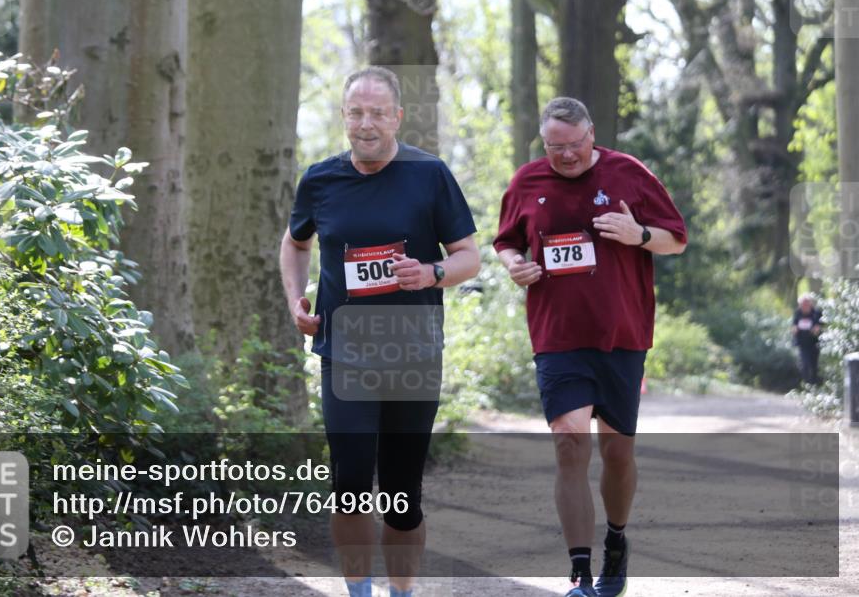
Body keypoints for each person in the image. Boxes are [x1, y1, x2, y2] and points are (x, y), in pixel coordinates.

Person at [279, 66, 480, 597]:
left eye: (376, 113)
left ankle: (401, 592)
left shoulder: (429, 174)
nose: (365, 124)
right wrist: (295, 300)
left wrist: (432, 272)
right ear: (344, 116)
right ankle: (359, 592)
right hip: (345, 352)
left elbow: (469, 257)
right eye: (355, 112)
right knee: (348, 484)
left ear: (397, 117)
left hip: (412, 353)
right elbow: (295, 242)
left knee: (401, 492)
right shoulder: (321, 179)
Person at [493, 97, 687, 597]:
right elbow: (505, 242)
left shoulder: (629, 173)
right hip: (557, 336)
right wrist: (515, 265)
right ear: (544, 143)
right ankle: (579, 572)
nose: (567, 156)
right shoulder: (527, 182)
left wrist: (638, 233)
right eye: (556, 147)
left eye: (576, 145)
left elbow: (677, 239)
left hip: (621, 334)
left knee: (617, 453)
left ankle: (616, 541)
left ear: (591, 134)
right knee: (568, 444)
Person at [791, 293, 823, 386]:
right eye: (802, 304)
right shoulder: (797, 313)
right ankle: (806, 384)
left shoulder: (817, 313)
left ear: (810, 304)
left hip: (814, 343)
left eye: (806, 304)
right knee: (805, 364)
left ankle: (814, 385)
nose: (804, 306)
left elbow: (820, 327)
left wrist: (817, 329)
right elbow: (794, 326)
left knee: (814, 365)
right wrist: (794, 329)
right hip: (802, 344)